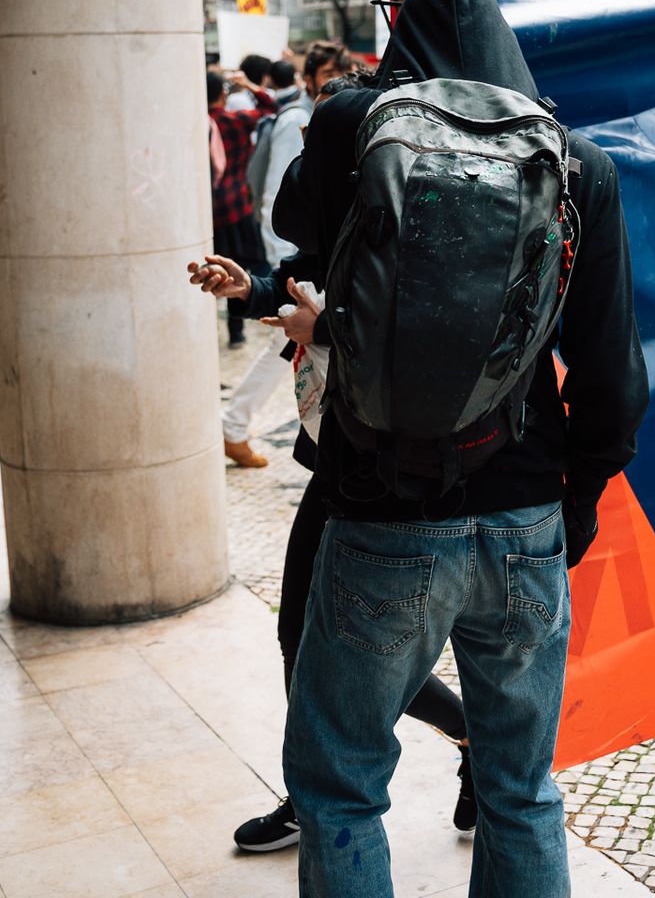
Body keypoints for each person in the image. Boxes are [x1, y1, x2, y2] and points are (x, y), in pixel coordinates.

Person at [266, 0, 647, 894]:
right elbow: (612, 373)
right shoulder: (577, 162)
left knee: (344, 787)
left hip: (382, 512)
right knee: (520, 788)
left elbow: (293, 230)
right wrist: (582, 494)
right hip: (525, 517)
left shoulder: (353, 126)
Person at [190, 78, 481, 853]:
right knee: (300, 634)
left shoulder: (417, 216)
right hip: (338, 462)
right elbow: (308, 283)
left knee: (367, 650)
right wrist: (249, 287)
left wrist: (328, 328)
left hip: (398, 474)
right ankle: (317, 784)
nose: (303, 160)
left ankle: (445, 750)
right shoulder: (344, 209)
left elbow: (407, 340)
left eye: (321, 144)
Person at [218, 56, 318, 470]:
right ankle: (232, 425)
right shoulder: (294, 121)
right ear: (307, 79)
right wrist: (280, 268)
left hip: (298, 269)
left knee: (280, 350)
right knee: (283, 347)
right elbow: (279, 192)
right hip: (297, 269)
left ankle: (233, 425)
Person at [206, 66, 276, 351]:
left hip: (211, 210)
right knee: (244, 266)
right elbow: (271, 108)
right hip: (238, 204)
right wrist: (249, 85)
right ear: (223, 94)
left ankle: (229, 334)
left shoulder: (196, 124)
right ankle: (243, 326)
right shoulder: (236, 121)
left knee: (218, 269)